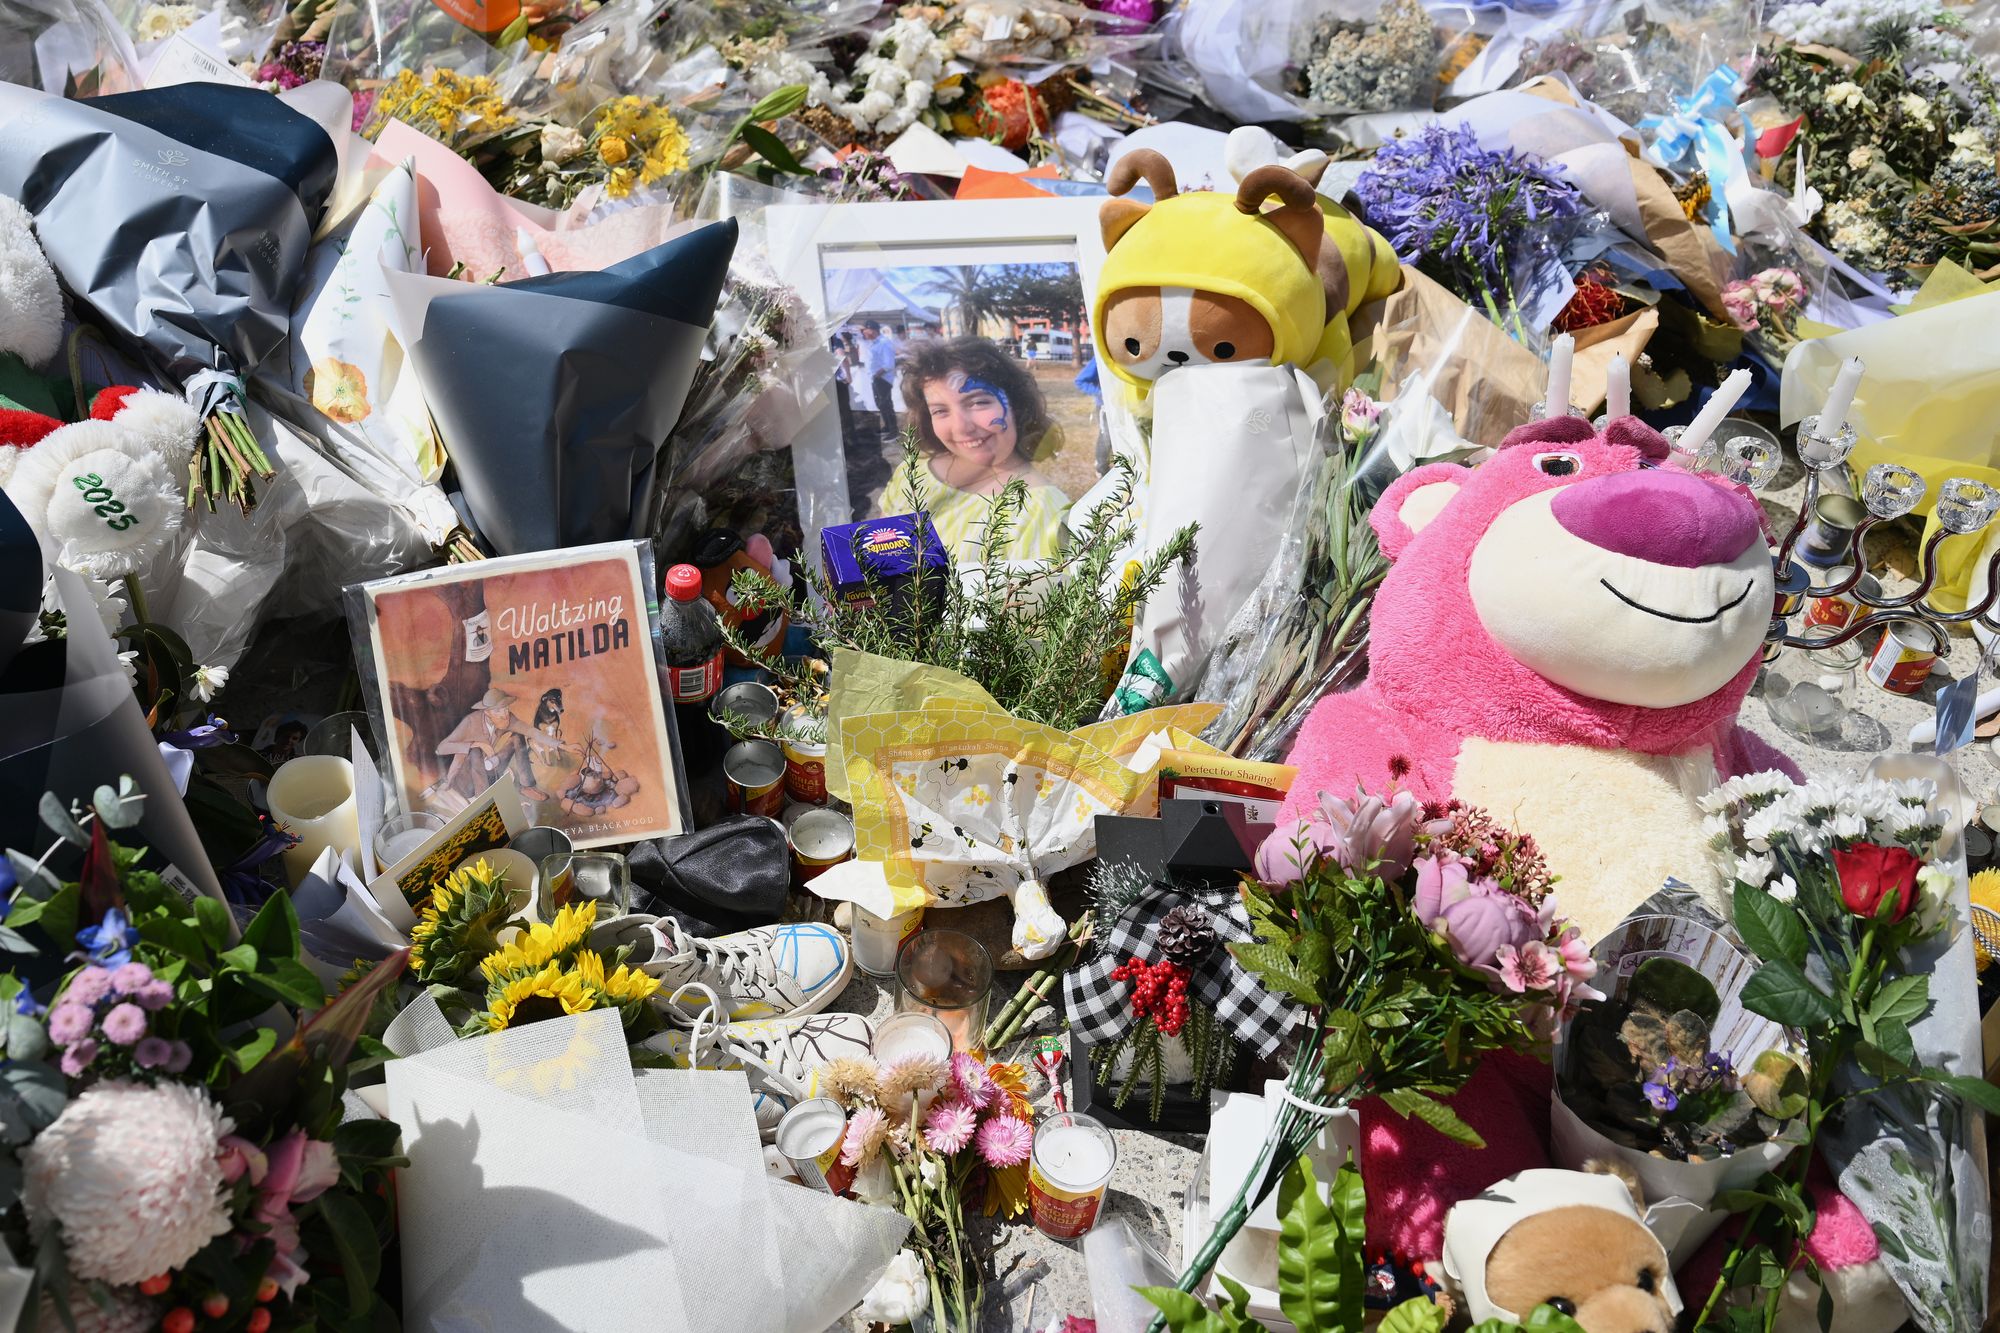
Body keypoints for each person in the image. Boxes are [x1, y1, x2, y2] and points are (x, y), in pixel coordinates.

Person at [880, 337, 1071, 563]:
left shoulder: (1041, 513)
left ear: (1017, 404)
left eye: (978, 402)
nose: (962, 427)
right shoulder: (912, 474)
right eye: (940, 411)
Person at [424, 686, 580, 805]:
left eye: (506, 708)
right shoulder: (470, 722)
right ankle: (485, 802)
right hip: (467, 783)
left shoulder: (506, 719)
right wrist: (474, 744)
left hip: (489, 771)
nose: (505, 714)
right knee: (476, 751)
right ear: (487, 713)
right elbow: (441, 748)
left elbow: (533, 732)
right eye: (499, 710)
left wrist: (563, 746)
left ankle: (526, 786)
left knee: (518, 736)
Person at [861, 321, 898, 443]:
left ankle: (894, 431)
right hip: (876, 378)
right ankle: (887, 426)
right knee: (880, 404)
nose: (864, 333)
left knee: (886, 404)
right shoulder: (874, 343)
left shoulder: (884, 343)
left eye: (865, 330)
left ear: (872, 330)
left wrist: (877, 375)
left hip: (882, 379)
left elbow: (889, 364)